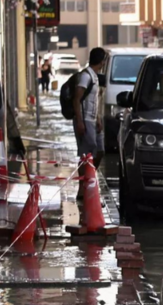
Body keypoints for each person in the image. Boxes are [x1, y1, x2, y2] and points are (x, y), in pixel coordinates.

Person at [73, 48, 109, 197]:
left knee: (100, 151)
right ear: (101, 61)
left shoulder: (94, 76)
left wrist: (98, 118)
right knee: (86, 154)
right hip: (85, 120)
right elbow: (77, 99)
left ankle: (89, 177)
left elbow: (95, 101)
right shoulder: (85, 76)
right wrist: (80, 122)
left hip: (93, 120)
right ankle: (82, 187)